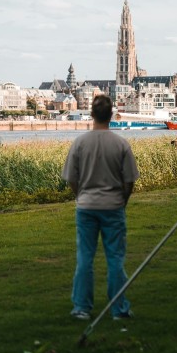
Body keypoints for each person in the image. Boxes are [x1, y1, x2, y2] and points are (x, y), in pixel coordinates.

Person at [62, 94, 139, 320]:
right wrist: (122, 201)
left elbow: (71, 179)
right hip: (113, 206)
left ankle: (81, 308)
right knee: (115, 259)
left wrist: (81, 196)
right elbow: (129, 181)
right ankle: (119, 309)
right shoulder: (121, 144)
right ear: (112, 115)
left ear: (91, 114)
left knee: (85, 258)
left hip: (86, 206)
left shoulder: (80, 143)